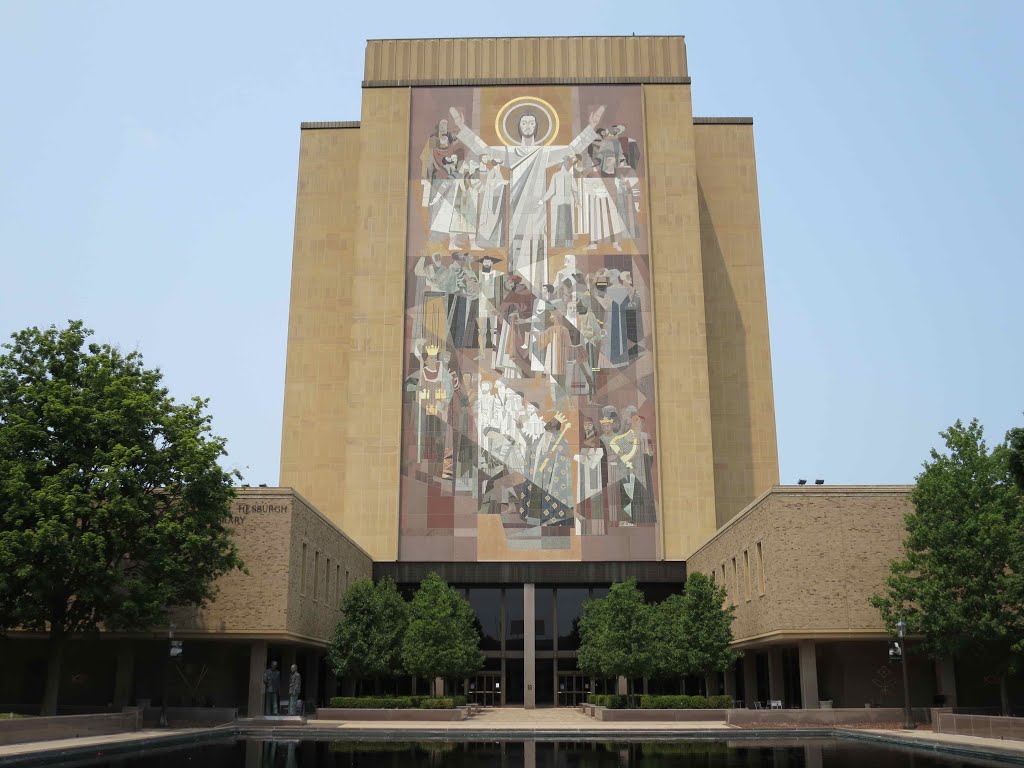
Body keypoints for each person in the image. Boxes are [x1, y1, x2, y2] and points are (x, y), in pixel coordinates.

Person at [448, 104, 605, 291]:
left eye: (532, 123)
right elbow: (485, 150)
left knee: (538, 257)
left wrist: (591, 127)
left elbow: (572, 149)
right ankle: (516, 295)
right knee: (516, 257)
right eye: (524, 123)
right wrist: (462, 128)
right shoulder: (510, 153)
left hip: (537, 214)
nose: (528, 125)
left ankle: (538, 294)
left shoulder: (545, 153)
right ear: (518, 127)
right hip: (515, 213)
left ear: (537, 127)